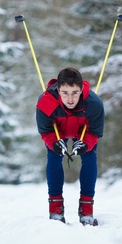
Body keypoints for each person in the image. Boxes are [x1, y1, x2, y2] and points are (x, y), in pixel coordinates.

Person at [36, 67, 105, 225]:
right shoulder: (46, 102)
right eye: (65, 92)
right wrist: (53, 143)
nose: (70, 99)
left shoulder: (94, 104)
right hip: (57, 130)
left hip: (83, 131)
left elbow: (94, 133)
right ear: (58, 89)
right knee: (54, 157)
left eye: (75, 92)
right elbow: (46, 131)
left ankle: (86, 209)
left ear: (81, 89)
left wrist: (85, 145)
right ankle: (55, 209)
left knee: (89, 157)